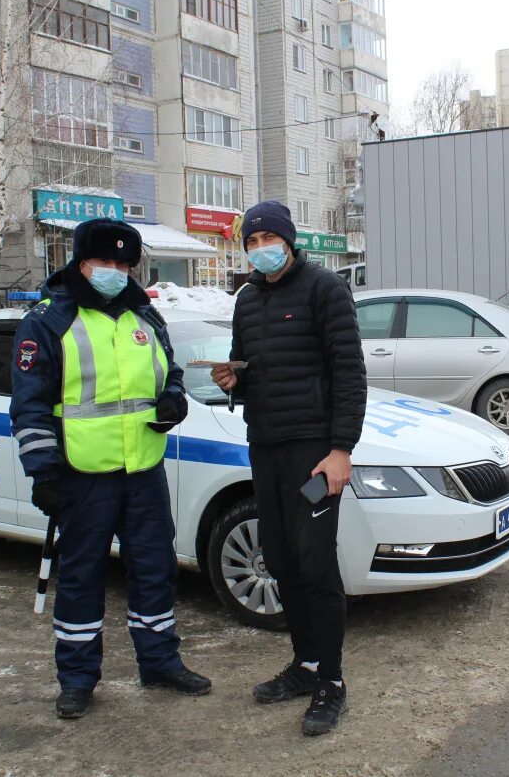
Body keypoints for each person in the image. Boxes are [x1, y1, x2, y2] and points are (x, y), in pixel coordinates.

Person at [10, 218, 210, 720]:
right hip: (82, 474)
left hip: (143, 469)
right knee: (81, 577)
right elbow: (28, 404)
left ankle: (160, 662)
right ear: (81, 263)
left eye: (125, 263)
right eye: (107, 262)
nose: (116, 271)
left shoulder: (144, 315)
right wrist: (43, 472)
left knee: (154, 570)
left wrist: (173, 401)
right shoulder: (49, 320)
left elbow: (171, 374)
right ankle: (77, 679)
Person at [211, 201, 367, 737]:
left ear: (289, 240)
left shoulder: (325, 289)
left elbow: (349, 371)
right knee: (280, 558)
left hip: (314, 454)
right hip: (267, 448)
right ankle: (304, 666)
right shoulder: (247, 300)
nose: (259, 250)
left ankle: (332, 682)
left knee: (315, 562)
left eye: (267, 240)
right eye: (250, 243)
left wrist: (341, 449)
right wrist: (234, 382)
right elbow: (247, 368)